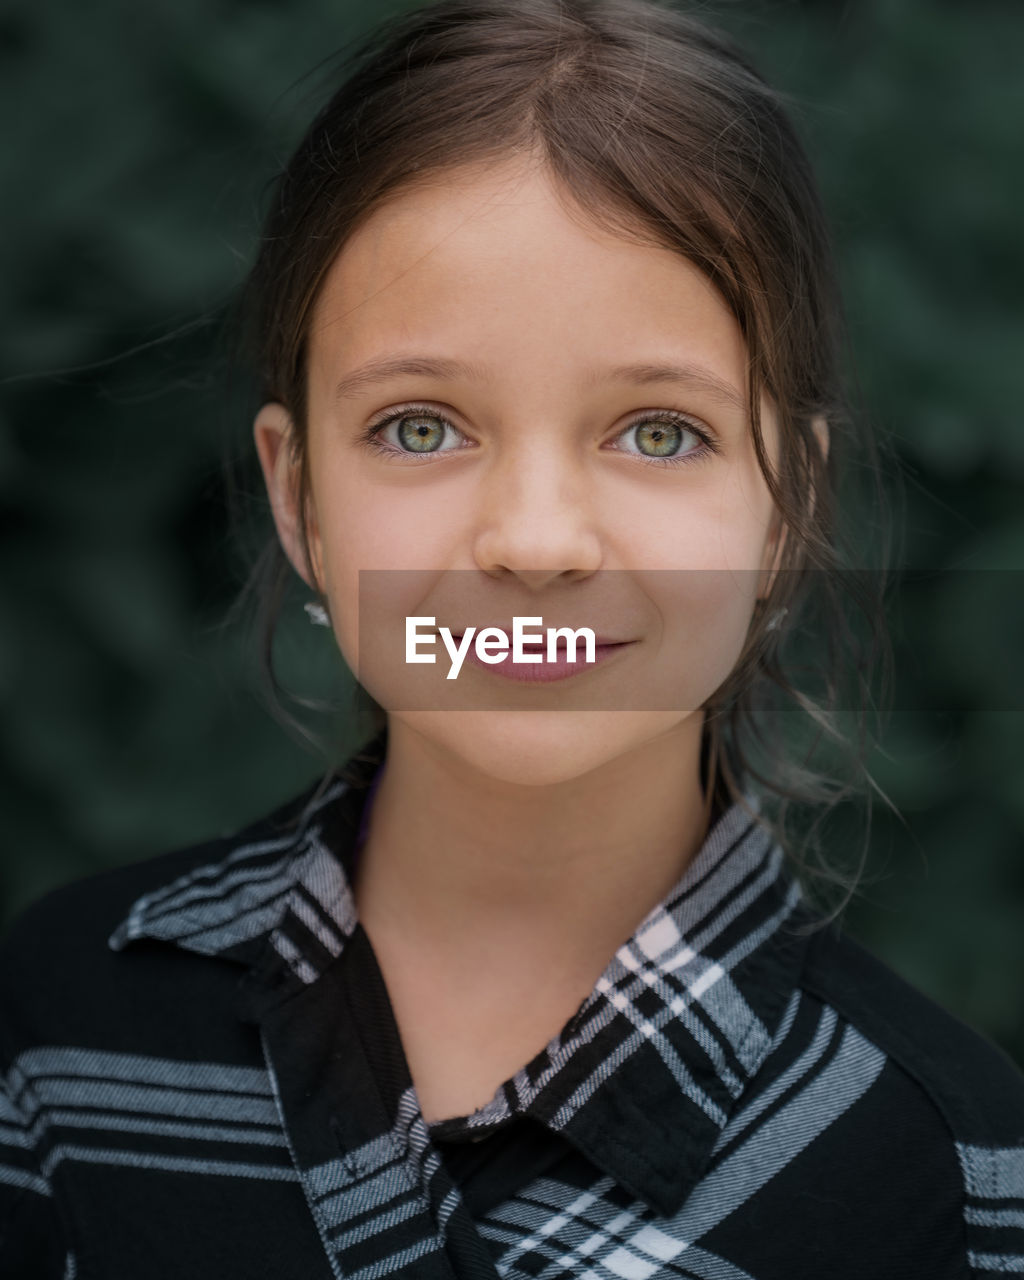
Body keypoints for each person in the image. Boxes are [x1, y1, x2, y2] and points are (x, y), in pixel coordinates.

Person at [2, 0, 1023, 1275]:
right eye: (421, 426)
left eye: (658, 430)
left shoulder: (943, 1173)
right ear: (298, 495)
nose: (536, 542)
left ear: (790, 507)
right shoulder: (64, 1033)